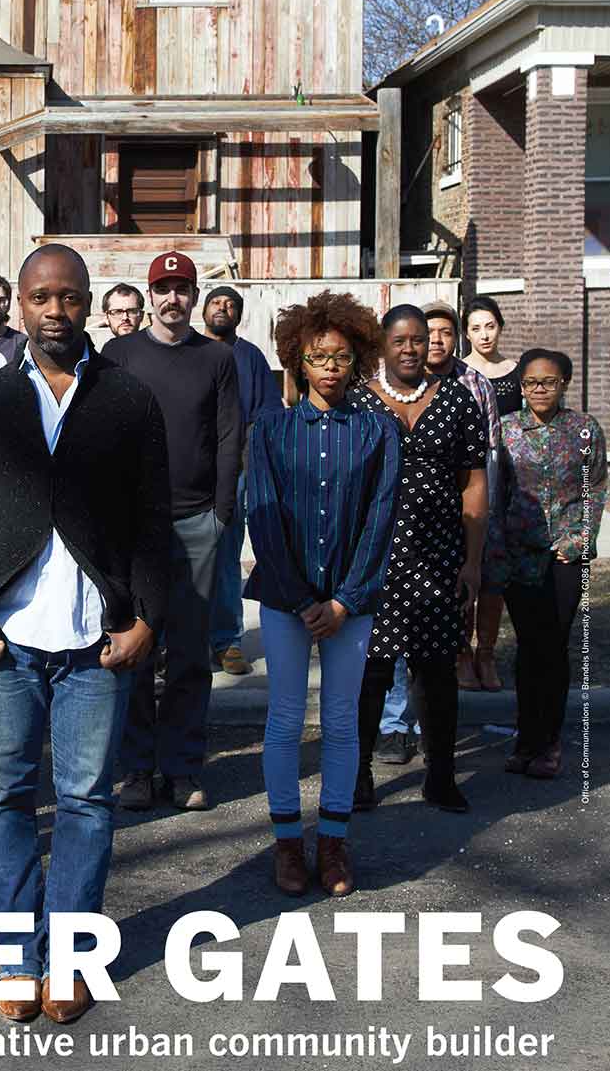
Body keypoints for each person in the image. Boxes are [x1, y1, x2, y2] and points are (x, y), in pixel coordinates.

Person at [0, 245, 170, 1024]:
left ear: (89, 302)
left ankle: (70, 957)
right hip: (3, 641)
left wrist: (146, 619)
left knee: (86, 800)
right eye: (41, 297)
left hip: (96, 644)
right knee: (2, 798)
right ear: (20, 306)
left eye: (69, 296)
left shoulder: (129, 402)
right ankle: (14, 956)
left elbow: (152, 528)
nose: (55, 310)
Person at [246, 291, 400, 897]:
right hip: (287, 600)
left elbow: (382, 514)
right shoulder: (271, 429)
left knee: (340, 721)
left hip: (351, 603)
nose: (330, 367)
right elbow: (264, 514)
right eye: (317, 357)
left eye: (340, 357)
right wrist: (301, 596)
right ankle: (288, 843)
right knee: (284, 719)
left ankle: (333, 843)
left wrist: (344, 598)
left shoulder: (378, 430)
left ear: (357, 359)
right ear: (298, 361)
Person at [106, 252, 242, 811]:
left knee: (188, 655)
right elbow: (101, 431)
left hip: (194, 523)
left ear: (193, 296)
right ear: (149, 294)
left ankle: (183, 768)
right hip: (133, 527)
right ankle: (137, 769)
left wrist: (222, 512)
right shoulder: (119, 354)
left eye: (182, 289)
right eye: (163, 289)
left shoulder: (216, 358)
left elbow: (230, 437)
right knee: (135, 649)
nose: (172, 299)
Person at [348, 307, 488, 814]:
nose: (410, 348)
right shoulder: (360, 400)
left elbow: (474, 483)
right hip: (374, 559)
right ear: (383, 344)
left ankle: (442, 777)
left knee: (436, 673)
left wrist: (472, 561)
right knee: (370, 673)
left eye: (419, 340)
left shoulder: (456, 400)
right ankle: (359, 776)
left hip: (439, 556)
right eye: (400, 340)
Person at [497, 349, 606, 780]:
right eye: (530, 383)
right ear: (521, 386)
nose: (539, 389)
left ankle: (549, 742)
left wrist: (581, 539)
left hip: (565, 554)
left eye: (549, 381)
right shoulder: (505, 430)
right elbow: (495, 491)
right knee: (528, 647)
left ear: (565, 383)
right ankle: (525, 738)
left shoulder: (583, 430)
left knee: (554, 645)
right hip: (519, 554)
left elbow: (594, 488)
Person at [423, 301, 507, 693]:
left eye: (445, 332)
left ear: (456, 338)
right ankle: (458, 654)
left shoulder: (476, 382)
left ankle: (484, 653)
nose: (436, 340)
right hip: (427, 504)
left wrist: (485, 506)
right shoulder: (403, 380)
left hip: (472, 494)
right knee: (445, 583)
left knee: (483, 575)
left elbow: (491, 450)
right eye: (430, 333)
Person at [202, 284, 284, 676]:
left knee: (227, 556)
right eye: (216, 302)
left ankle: (226, 640)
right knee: (186, 559)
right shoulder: (190, 352)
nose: (223, 308)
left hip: (236, 471)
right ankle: (185, 641)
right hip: (192, 471)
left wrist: (249, 466)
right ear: (204, 310)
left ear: (239, 314)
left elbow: (267, 415)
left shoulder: (249, 357)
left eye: (230, 304)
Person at [463, 296, 521, 417]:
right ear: (467, 334)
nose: (484, 335)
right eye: (475, 329)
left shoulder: (518, 371)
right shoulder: (458, 373)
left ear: (500, 328)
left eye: (490, 327)